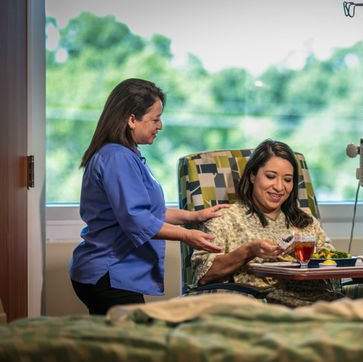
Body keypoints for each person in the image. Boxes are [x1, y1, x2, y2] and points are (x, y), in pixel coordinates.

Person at [70, 78, 228, 315]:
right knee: (130, 337)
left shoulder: (126, 155)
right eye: (155, 119)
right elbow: (137, 220)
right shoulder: (117, 158)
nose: (160, 125)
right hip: (109, 272)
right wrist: (187, 236)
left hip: (113, 272)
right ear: (132, 119)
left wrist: (194, 216)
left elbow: (148, 212)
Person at [191, 139, 343, 307]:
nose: (279, 187)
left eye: (287, 179)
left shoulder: (306, 221)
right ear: (252, 176)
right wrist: (249, 251)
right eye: (270, 176)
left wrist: (304, 255)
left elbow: (333, 265)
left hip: (321, 303)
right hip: (262, 307)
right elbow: (203, 275)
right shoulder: (224, 219)